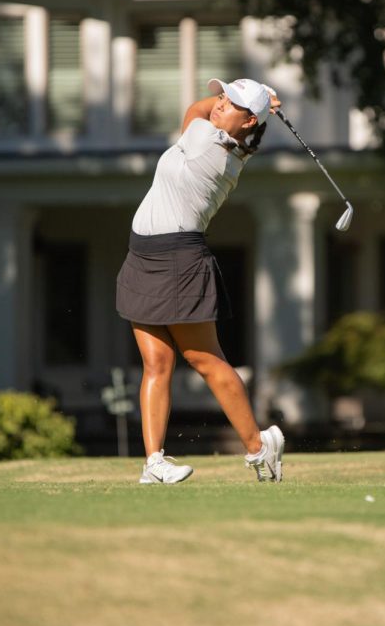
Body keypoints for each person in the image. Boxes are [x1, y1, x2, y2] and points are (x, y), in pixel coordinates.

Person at [116, 77, 286, 484]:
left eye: (229, 104)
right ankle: (154, 463)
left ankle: (259, 450)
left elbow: (194, 113)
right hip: (143, 255)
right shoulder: (215, 132)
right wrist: (243, 102)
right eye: (222, 97)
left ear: (247, 123)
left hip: (178, 260)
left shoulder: (213, 148)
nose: (218, 106)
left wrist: (257, 104)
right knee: (156, 364)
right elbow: (198, 110)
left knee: (204, 360)